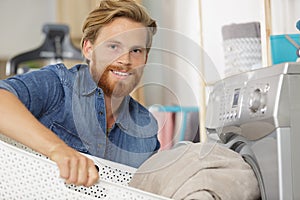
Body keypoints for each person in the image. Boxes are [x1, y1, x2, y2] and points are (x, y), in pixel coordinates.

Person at [0, 0, 160, 187]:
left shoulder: (146, 129)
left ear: (146, 58)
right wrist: (57, 148)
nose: (125, 60)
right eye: (113, 46)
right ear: (88, 49)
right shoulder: (57, 85)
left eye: (136, 50)